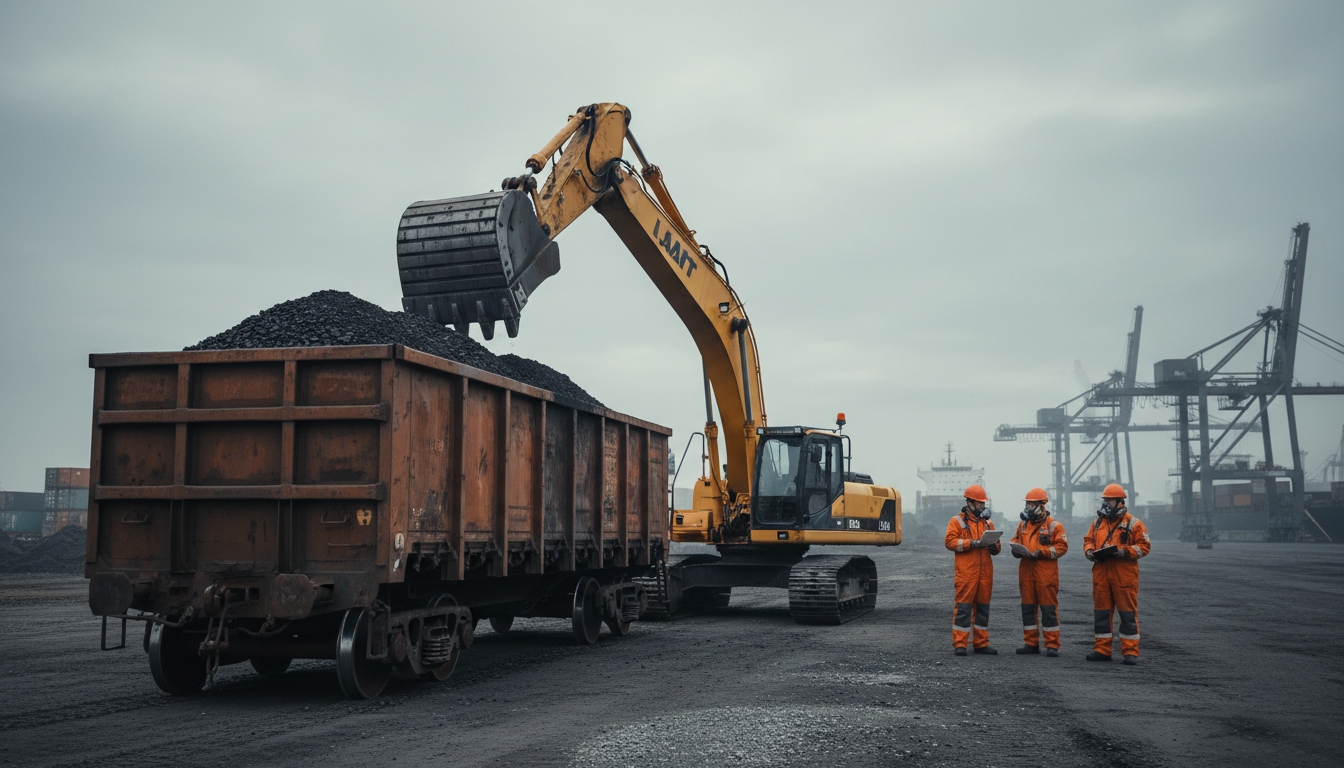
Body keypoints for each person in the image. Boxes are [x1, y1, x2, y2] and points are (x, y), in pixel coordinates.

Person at [1083, 483, 1151, 665]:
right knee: (1101, 614)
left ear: (1120, 502)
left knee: (1127, 614)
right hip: (1101, 575)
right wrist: (1089, 551)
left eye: (1110, 501)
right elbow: (1088, 540)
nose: (1107, 504)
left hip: (1124, 576)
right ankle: (1102, 649)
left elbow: (1144, 547)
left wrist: (1123, 552)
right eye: (1105, 501)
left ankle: (1130, 651)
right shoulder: (1097, 523)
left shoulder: (1133, 523)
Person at [1010, 487, 1068, 656]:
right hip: (1026, 573)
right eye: (1027, 504)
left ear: (1041, 506)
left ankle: (1052, 645)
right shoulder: (1023, 525)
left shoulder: (1053, 525)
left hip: (1046, 574)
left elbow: (1062, 547)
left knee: (1048, 609)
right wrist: (1015, 549)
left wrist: (1041, 552)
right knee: (1027, 609)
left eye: (1031, 504)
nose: (1028, 508)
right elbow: (1015, 540)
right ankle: (1031, 643)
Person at [944, 484, 1001, 656]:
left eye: (983, 504)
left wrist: (994, 546)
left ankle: (981, 643)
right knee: (963, 609)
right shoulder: (957, 521)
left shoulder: (988, 523)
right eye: (979, 504)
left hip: (985, 574)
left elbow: (997, 550)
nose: (982, 507)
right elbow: (950, 542)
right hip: (967, 573)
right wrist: (973, 544)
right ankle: (960, 644)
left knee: (983, 609)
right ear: (969, 503)